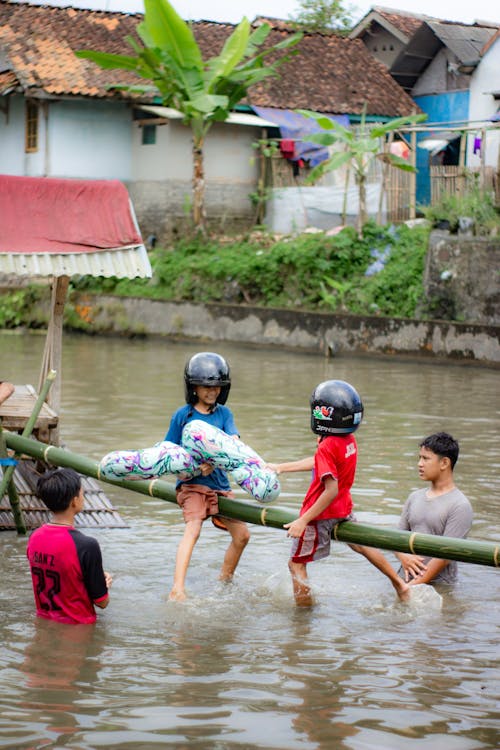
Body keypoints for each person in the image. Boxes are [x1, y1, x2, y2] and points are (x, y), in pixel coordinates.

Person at [272, 380, 410, 607]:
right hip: (343, 509)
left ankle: (303, 620)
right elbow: (321, 464)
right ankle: (400, 585)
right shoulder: (348, 440)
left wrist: (303, 520)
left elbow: (330, 489)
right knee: (361, 544)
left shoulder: (327, 445)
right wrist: (281, 467)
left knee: (296, 564)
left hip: (320, 515)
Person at [166, 352, 250, 602]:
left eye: (216, 386)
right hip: (192, 486)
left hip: (220, 486)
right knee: (193, 530)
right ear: (193, 386)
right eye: (205, 386)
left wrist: (227, 454)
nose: (212, 391)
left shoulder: (225, 415)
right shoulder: (183, 416)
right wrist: (193, 468)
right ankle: (177, 588)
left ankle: (224, 581)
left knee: (242, 535)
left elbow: (233, 441)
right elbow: (169, 451)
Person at [26, 467, 112, 624]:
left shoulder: (34, 538)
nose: (83, 496)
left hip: (45, 623)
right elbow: (102, 602)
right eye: (81, 493)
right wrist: (102, 583)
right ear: (74, 500)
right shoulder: (87, 545)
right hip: (78, 631)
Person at [395, 431, 473, 585]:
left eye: (426, 458)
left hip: (439, 588)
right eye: (419, 458)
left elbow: (444, 557)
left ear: (444, 463)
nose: (420, 464)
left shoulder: (460, 505)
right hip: (402, 579)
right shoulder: (414, 497)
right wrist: (404, 557)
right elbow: (396, 538)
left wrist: (410, 587)